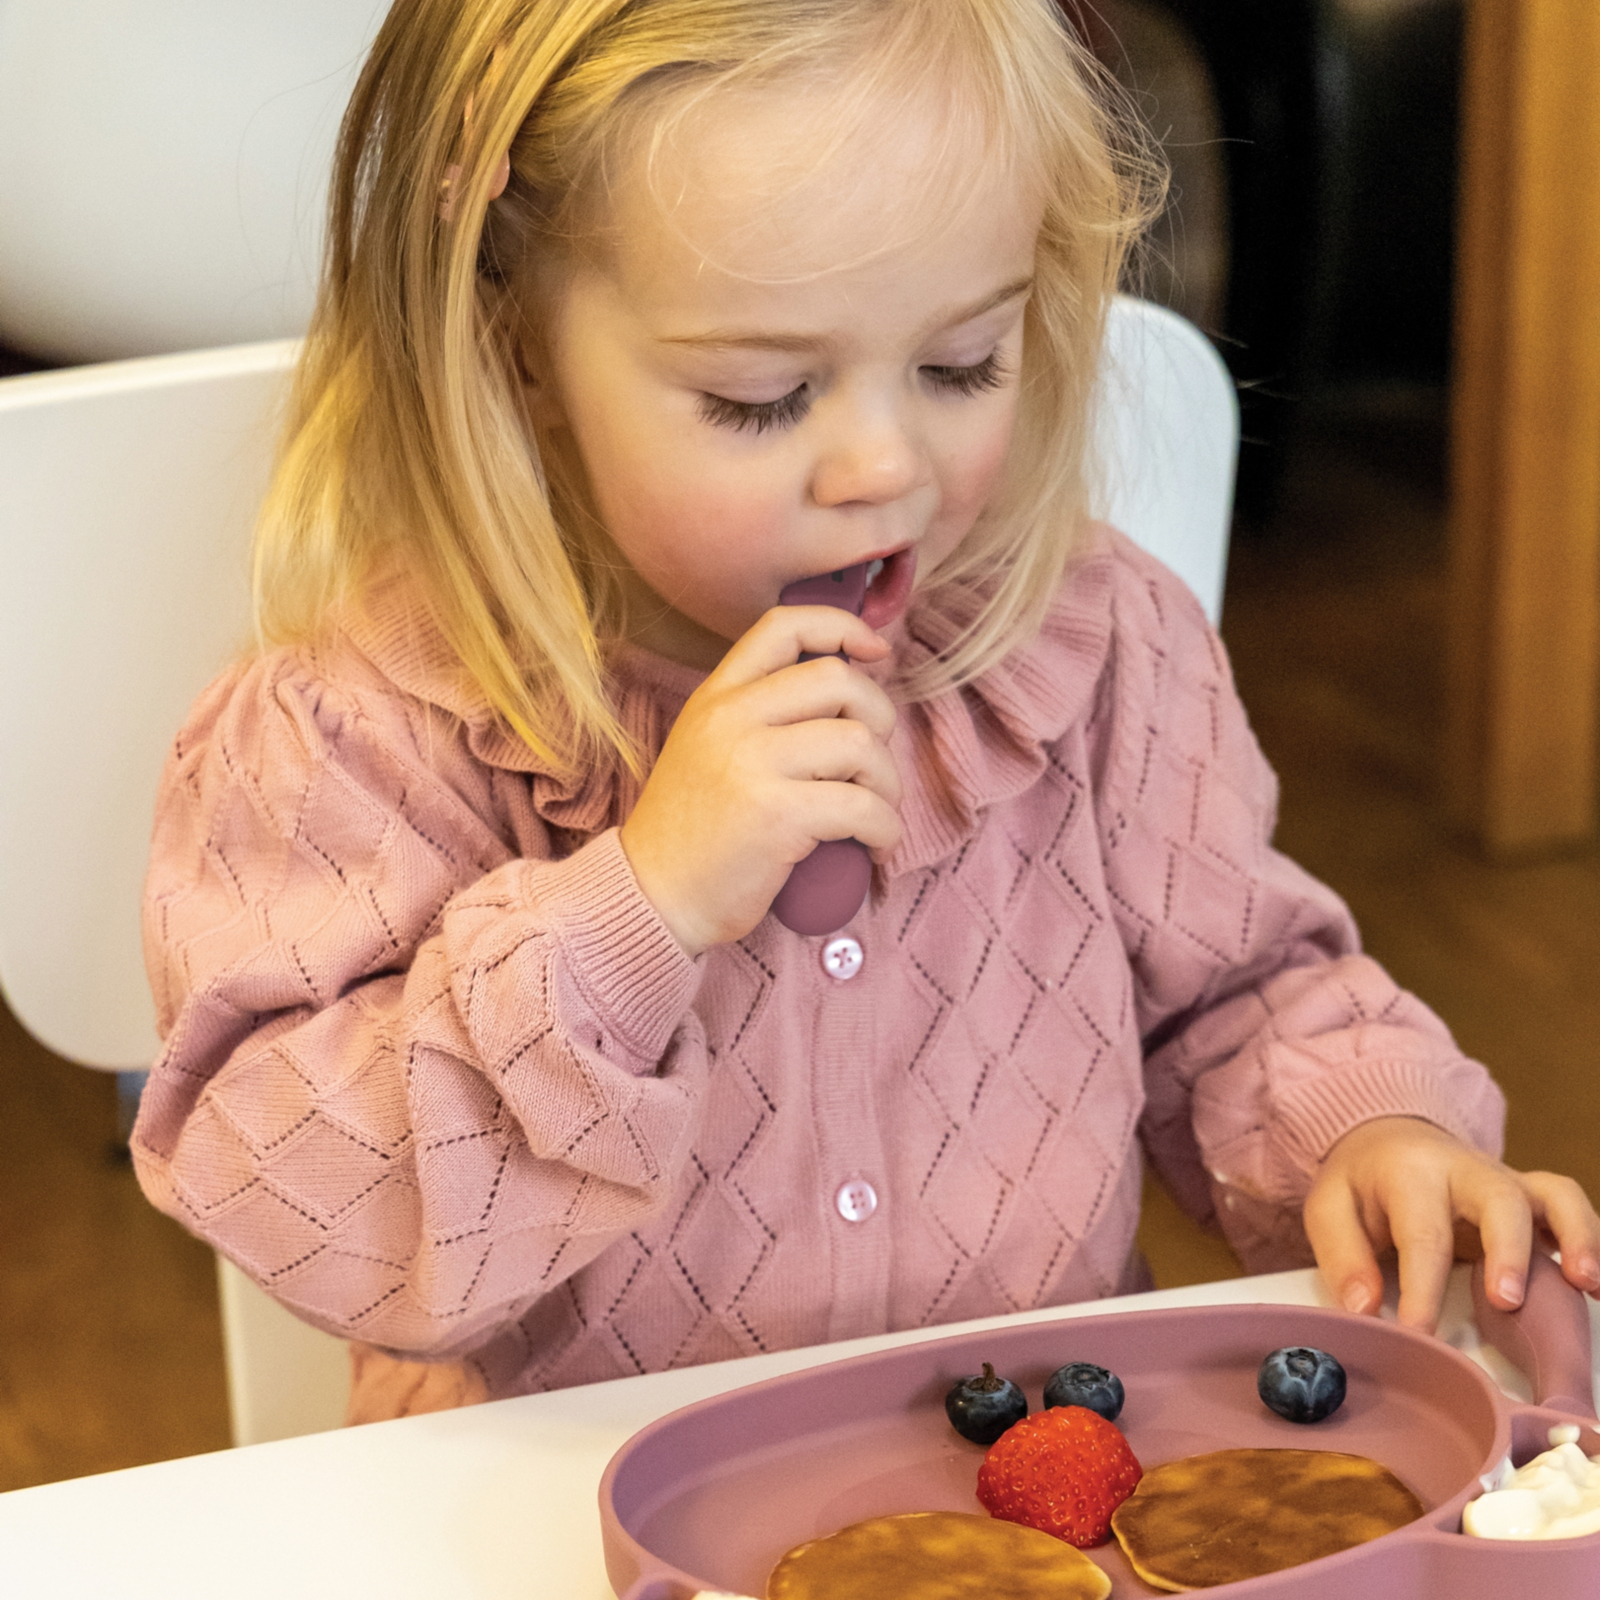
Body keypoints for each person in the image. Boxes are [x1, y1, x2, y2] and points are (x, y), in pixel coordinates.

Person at [134, 0, 1597, 1422]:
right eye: (765, 397)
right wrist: (640, 910)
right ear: (515, 344)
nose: (883, 467)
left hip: (1035, 1502)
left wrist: (1373, 1132)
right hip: (549, 1525)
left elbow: (1238, 993)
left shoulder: (1089, 651)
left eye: (964, 364)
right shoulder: (362, 731)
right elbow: (318, 1204)